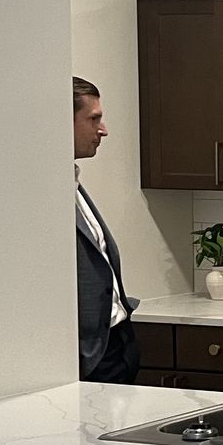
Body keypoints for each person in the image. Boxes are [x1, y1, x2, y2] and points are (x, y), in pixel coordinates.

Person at [73, 77, 140, 382]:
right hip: (91, 354)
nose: (104, 129)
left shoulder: (72, 184)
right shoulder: (41, 198)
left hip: (118, 341)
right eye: (94, 119)